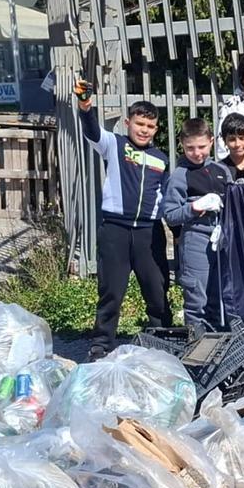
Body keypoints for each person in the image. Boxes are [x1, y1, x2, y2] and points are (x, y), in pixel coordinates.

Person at [73, 82, 172, 360]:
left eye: (150, 126)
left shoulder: (161, 158)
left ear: (156, 129)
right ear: (128, 123)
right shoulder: (114, 145)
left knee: (157, 288)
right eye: (139, 123)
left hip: (148, 233)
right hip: (115, 229)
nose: (144, 130)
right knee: (111, 291)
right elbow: (92, 131)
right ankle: (101, 343)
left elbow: (166, 198)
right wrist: (85, 105)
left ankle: (162, 340)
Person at [162, 118, 231, 333]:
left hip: (222, 239)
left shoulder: (222, 170)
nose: (197, 153)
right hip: (195, 239)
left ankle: (220, 344)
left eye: (202, 147)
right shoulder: (180, 175)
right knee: (196, 295)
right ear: (182, 144)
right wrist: (194, 208)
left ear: (211, 141)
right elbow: (170, 215)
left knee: (220, 294)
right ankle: (197, 347)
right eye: (190, 148)